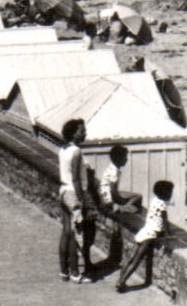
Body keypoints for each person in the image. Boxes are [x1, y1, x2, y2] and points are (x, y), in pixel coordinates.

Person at [116, 180, 174, 293]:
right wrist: (168, 234)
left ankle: (120, 278)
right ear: (166, 193)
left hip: (145, 230)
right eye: (170, 192)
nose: (171, 195)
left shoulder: (154, 200)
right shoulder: (162, 205)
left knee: (132, 258)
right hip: (151, 234)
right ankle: (121, 282)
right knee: (137, 260)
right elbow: (164, 221)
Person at [57, 119, 96, 283]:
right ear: (73, 133)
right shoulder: (77, 151)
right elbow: (76, 179)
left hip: (63, 192)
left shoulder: (63, 149)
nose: (84, 133)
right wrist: (83, 200)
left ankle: (64, 271)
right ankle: (75, 272)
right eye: (81, 131)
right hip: (73, 194)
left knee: (66, 232)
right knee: (75, 235)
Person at [99, 144, 143, 215]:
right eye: (125, 157)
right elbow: (113, 190)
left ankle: (123, 207)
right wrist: (122, 201)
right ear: (118, 158)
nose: (126, 159)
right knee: (138, 196)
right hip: (109, 198)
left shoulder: (111, 168)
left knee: (133, 200)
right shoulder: (114, 171)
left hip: (105, 197)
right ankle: (123, 207)